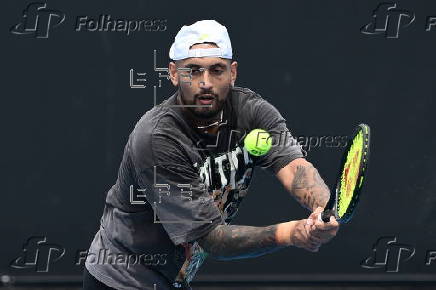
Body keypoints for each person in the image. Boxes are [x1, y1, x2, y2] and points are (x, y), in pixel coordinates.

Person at [83, 19, 339, 290]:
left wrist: (322, 209)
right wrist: (293, 233)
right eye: (193, 71)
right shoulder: (157, 138)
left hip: (173, 279)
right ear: (172, 73)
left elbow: (292, 164)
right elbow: (213, 239)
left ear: (233, 72)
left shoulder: (252, 112)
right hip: (122, 280)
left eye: (217, 70)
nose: (205, 83)